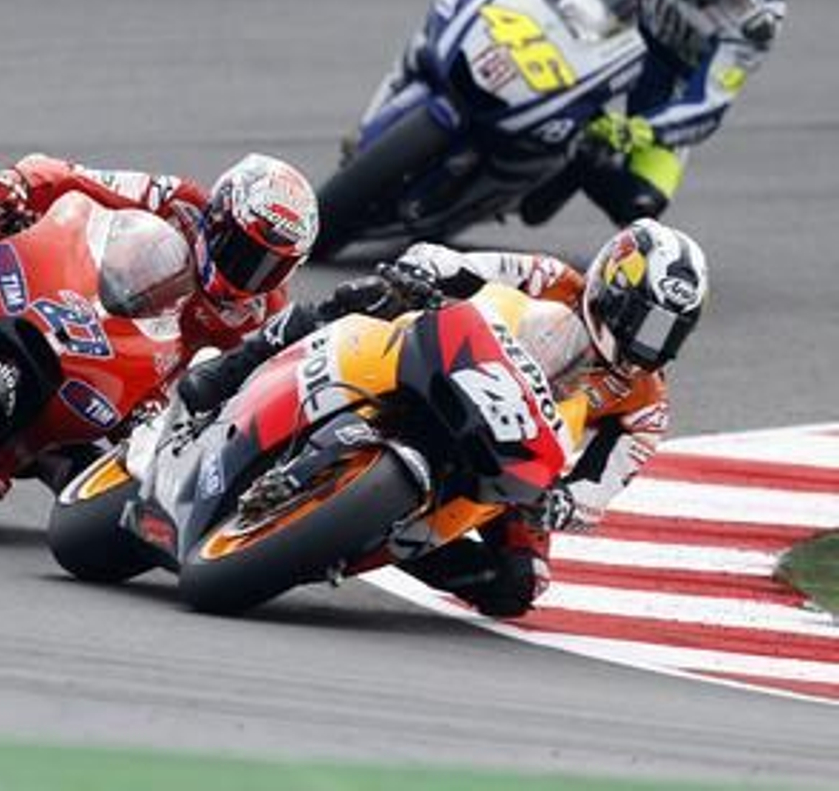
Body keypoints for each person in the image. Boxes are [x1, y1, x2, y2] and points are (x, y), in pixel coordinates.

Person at [178, 219, 709, 617]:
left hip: (510, 451)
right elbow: (462, 264)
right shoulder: (551, 278)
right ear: (613, 287)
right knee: (365, 297)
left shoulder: (645, 404)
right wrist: (422, 271)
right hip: (447, 363)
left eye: (669, 333)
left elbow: (600, 486)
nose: (647, 342)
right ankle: (230, 371)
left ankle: (361, 539)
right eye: (645, 320)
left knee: (519, 585)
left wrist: (563, 505)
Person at [386, 0, 788, 226]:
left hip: (671, 73)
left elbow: (709, 103)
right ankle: (413, 78)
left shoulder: (756, 20)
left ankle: (556, 171)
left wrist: (641, 130)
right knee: (489, 20)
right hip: (612, 21)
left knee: (639, 205)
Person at [0, 153, 318, 352]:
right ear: (219, 218)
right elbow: (73, 177)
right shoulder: (178, 201)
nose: (251, 273)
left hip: (129, 382)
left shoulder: (265, 315)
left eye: (270, 266)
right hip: (74, 292)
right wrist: (19, 183)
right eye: (244, 250)